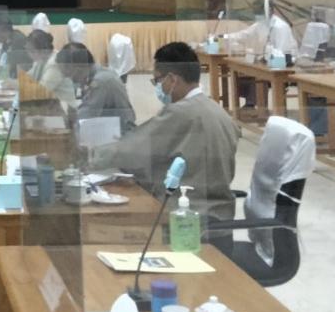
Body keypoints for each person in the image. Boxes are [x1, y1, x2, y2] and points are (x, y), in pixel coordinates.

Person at [90, 42, 239, 219]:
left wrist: (91, 155)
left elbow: (134, 149)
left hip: (183, 218)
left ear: (172, 79)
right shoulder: (220, 113)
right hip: (221, 214)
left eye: (157, 81)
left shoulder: (179, 113)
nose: (157, 87)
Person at [58, 44, 137, 133]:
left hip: (121, 135)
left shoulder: (100, 81)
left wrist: (67, 130)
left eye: (69, 75)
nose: (71, 80)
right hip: (109, 130)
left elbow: (86, 116)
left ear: (77, 68)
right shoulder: (96, 74)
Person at [0, 14, 30, 84]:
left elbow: (11, 67)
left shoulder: (18, 40)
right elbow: (1, 61)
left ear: (1, 30)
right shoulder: (6, 41)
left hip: (23, 81)